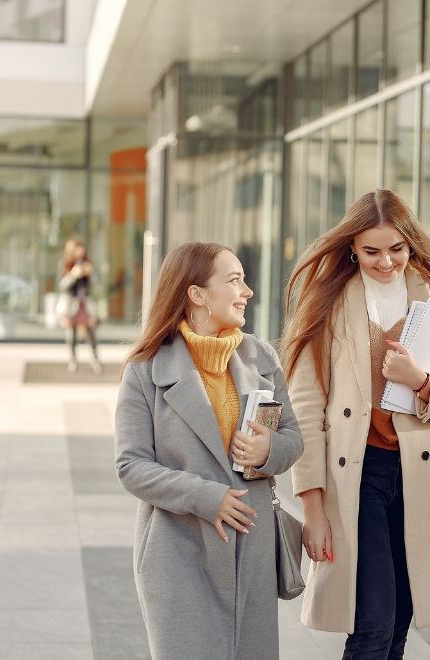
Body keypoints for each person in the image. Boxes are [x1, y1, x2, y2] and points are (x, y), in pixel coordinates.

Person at [282, 189, 430, 659]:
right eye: (371, 251)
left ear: (411, 243)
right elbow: (306, 409)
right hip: (356, 476)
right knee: (372, 623)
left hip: (419, 477)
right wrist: (312, 508)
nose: (386, 262)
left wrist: (422, 382)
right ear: (351, 246)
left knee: (398, 626)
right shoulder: (327, 300)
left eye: (397, 249)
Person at [115, 241, 304, 660]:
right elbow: (131, 466)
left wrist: (267, 449)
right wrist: (206, 497)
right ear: (197, 294)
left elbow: (293, 438)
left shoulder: (261, 357)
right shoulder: (145, 369)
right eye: (234, 280)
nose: (247, 290)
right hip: (178, 551)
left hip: (250, 548)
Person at [57, 237, 102, 373]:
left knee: (91, 333)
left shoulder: (88, 264)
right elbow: (61, 286)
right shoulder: (65, 264)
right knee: (71, 333)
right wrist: (73, 274)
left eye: (82, 248)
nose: (81, 251)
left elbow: (97, 286)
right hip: (71, 304)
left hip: (85, 304)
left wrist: (91, 273)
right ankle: (73, 360)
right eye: (77, 248)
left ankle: (95, 360)